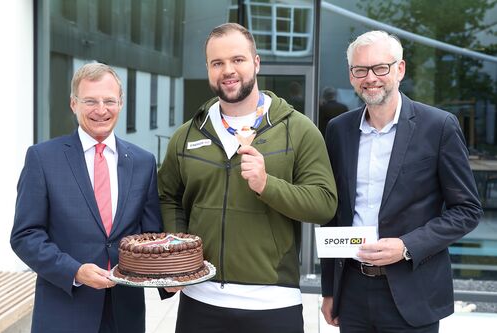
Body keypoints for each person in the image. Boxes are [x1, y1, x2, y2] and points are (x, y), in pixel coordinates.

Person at [158, 23, 337, 333]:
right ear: (208, 69)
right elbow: (168, 196)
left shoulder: (298, 129)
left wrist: (268, 185)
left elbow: (324, 203)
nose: (228, 70)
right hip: (200, 299)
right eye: (218, 63)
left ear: (256, 62)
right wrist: (181, 257)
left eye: (237, 59)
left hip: (272, 302)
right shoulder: (186, 135)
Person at [320, 30, 482, 332]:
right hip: (352, 291)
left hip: (413, 292)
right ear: (352, 76)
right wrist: (330, 289)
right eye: (361, 69)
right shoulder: (338, 130)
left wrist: (406, 246)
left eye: (380, 67)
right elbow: (334, 213)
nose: (371, 77)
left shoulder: (438, 126)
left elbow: (467, 210)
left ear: (400, 69)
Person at [10, 62, 163, 333]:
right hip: (65, 310)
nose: (101, 110)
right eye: (90, 101)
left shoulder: (143, 162)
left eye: (109, 101)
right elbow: (25, 235)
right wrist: (74, 271)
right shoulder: (43, 158)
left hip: (125, 314)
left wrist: (168, 279)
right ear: (73, 104)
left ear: (121, 103)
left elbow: (150, 236)